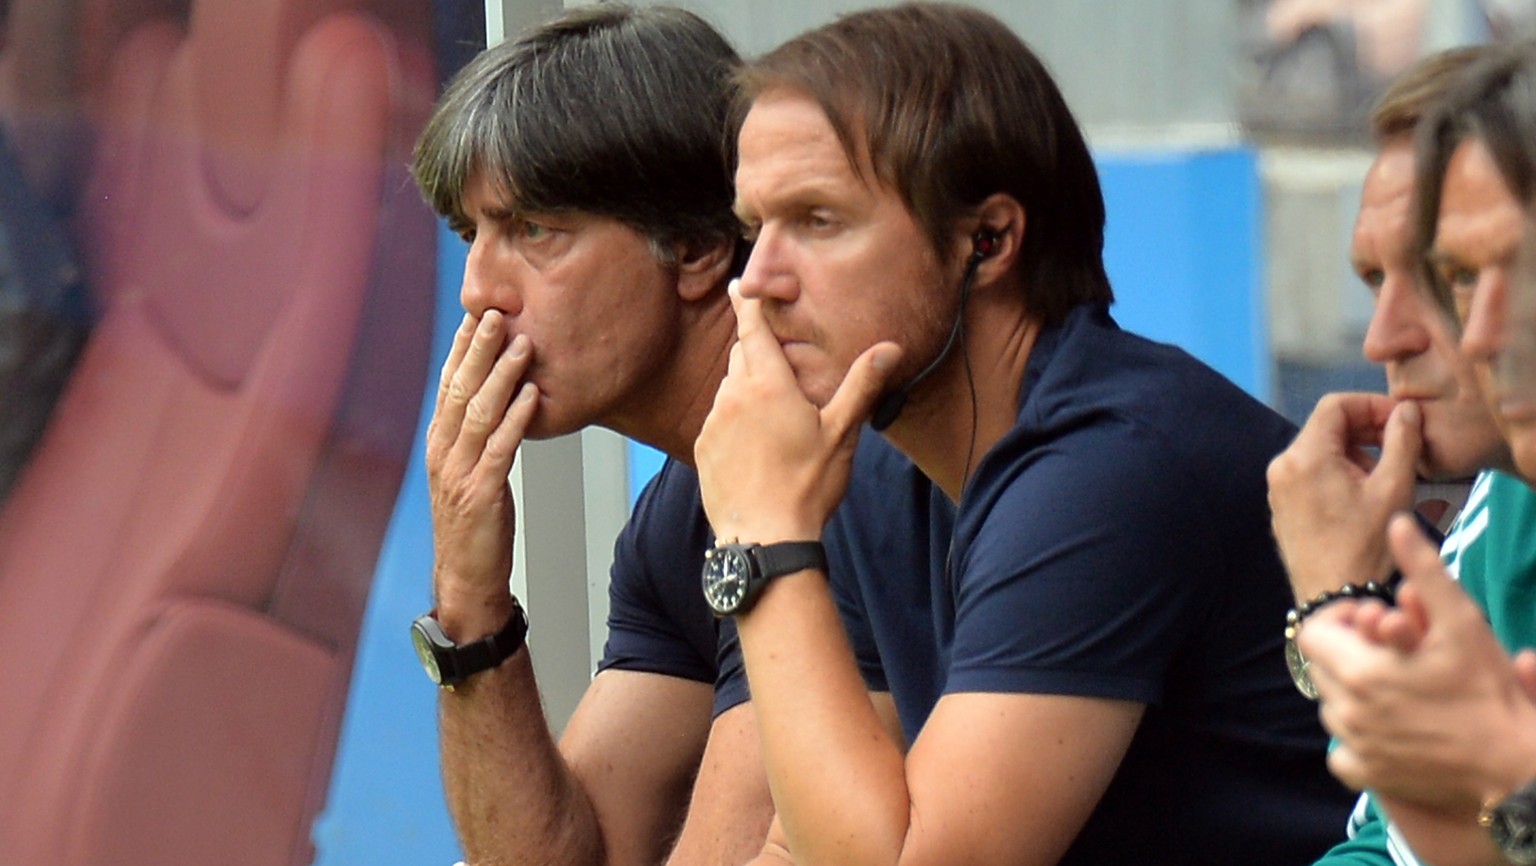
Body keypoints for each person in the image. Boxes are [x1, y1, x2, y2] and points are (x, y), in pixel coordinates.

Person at [692, 5, 1352, 864]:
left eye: (818, 221)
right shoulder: (872, 468)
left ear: (990, 240)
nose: (758, 282)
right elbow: (804, 843)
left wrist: (763, 541)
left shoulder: (1110, 468)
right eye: (753, 230)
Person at [409, 6, 933, 865]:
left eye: (535, 229)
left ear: (695, 247)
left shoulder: (837, 465)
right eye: (473, 235)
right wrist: (470, 604)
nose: (478, 291)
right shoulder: (677, 515)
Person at [1266, 44, 1536, 866]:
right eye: (1462, 274)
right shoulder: (1505, 507)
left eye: (1432, 274)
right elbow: (1390, 846)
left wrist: (1338, 611)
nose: (1383, 338)